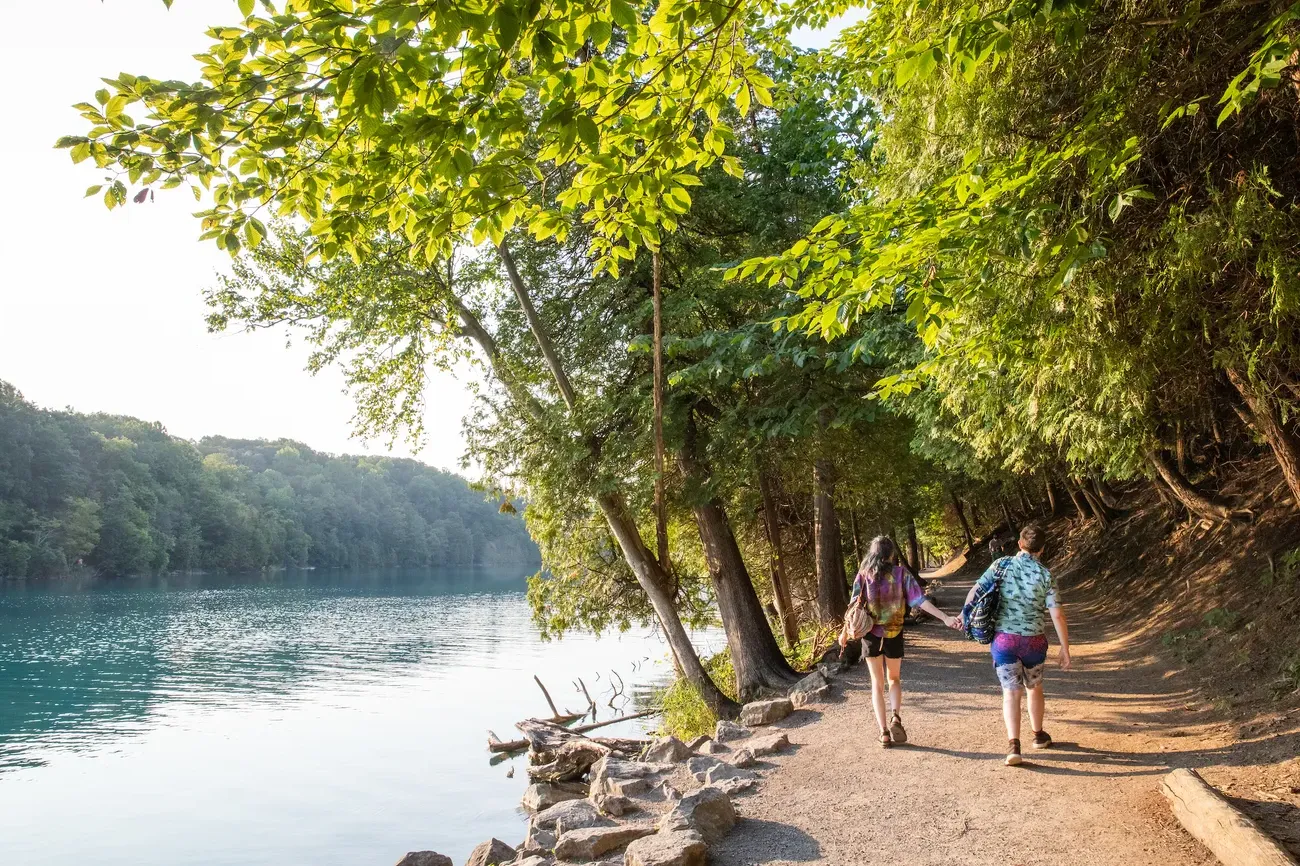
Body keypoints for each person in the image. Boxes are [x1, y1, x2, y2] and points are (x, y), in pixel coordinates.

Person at [963, 523, 1071, 766]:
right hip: (1034, 641)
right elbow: (1057, 615)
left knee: (1011, 692)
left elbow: (975, 591)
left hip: (1004, 641)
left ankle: (1014, 746)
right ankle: (1039, 735)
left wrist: (963, 616)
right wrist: (1065, 647)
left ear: (1020, 544)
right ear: (1042, 549)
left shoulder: (1000, 565)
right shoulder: (1045, 575)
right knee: (1034, 686)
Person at [841, 535, 962, 748]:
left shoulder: (863, 576)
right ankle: (895, 716)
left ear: (873, 553)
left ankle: (884, 733)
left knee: (876, 685)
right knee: (894, 680)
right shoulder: (901, 574)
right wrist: (945, 618)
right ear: (890, 555)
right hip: (894, 634)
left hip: (870, 635)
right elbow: (919, 601)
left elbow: (853, 608)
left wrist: (844, 633)